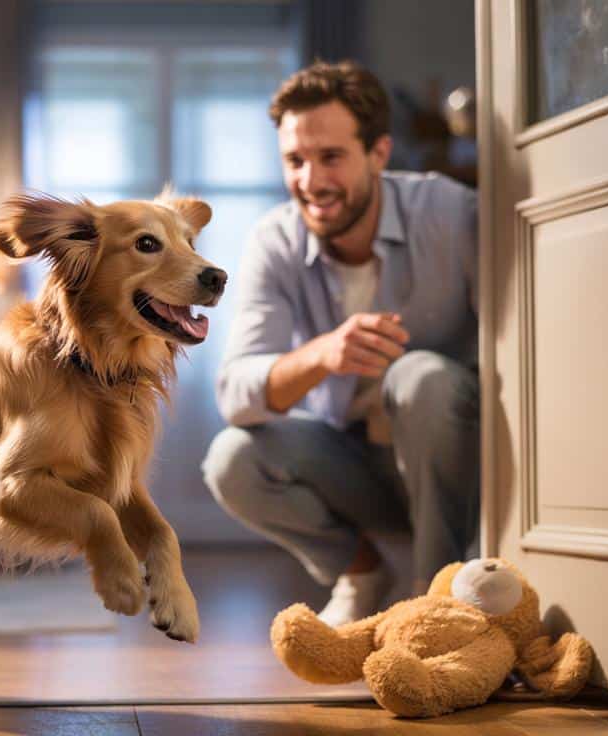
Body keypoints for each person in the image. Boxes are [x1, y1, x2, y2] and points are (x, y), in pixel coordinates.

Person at [201, 60, 479, 627]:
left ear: (379, 152)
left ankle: (436, 603)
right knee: (231, 460)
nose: (310, 181)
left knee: (419, 374)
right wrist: (322, 354)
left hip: (457, 461)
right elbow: (236, 392)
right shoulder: (274, 240)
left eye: (331, 157)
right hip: (356, 463)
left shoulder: (452, 212)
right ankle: (361, 572)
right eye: (295, 161)